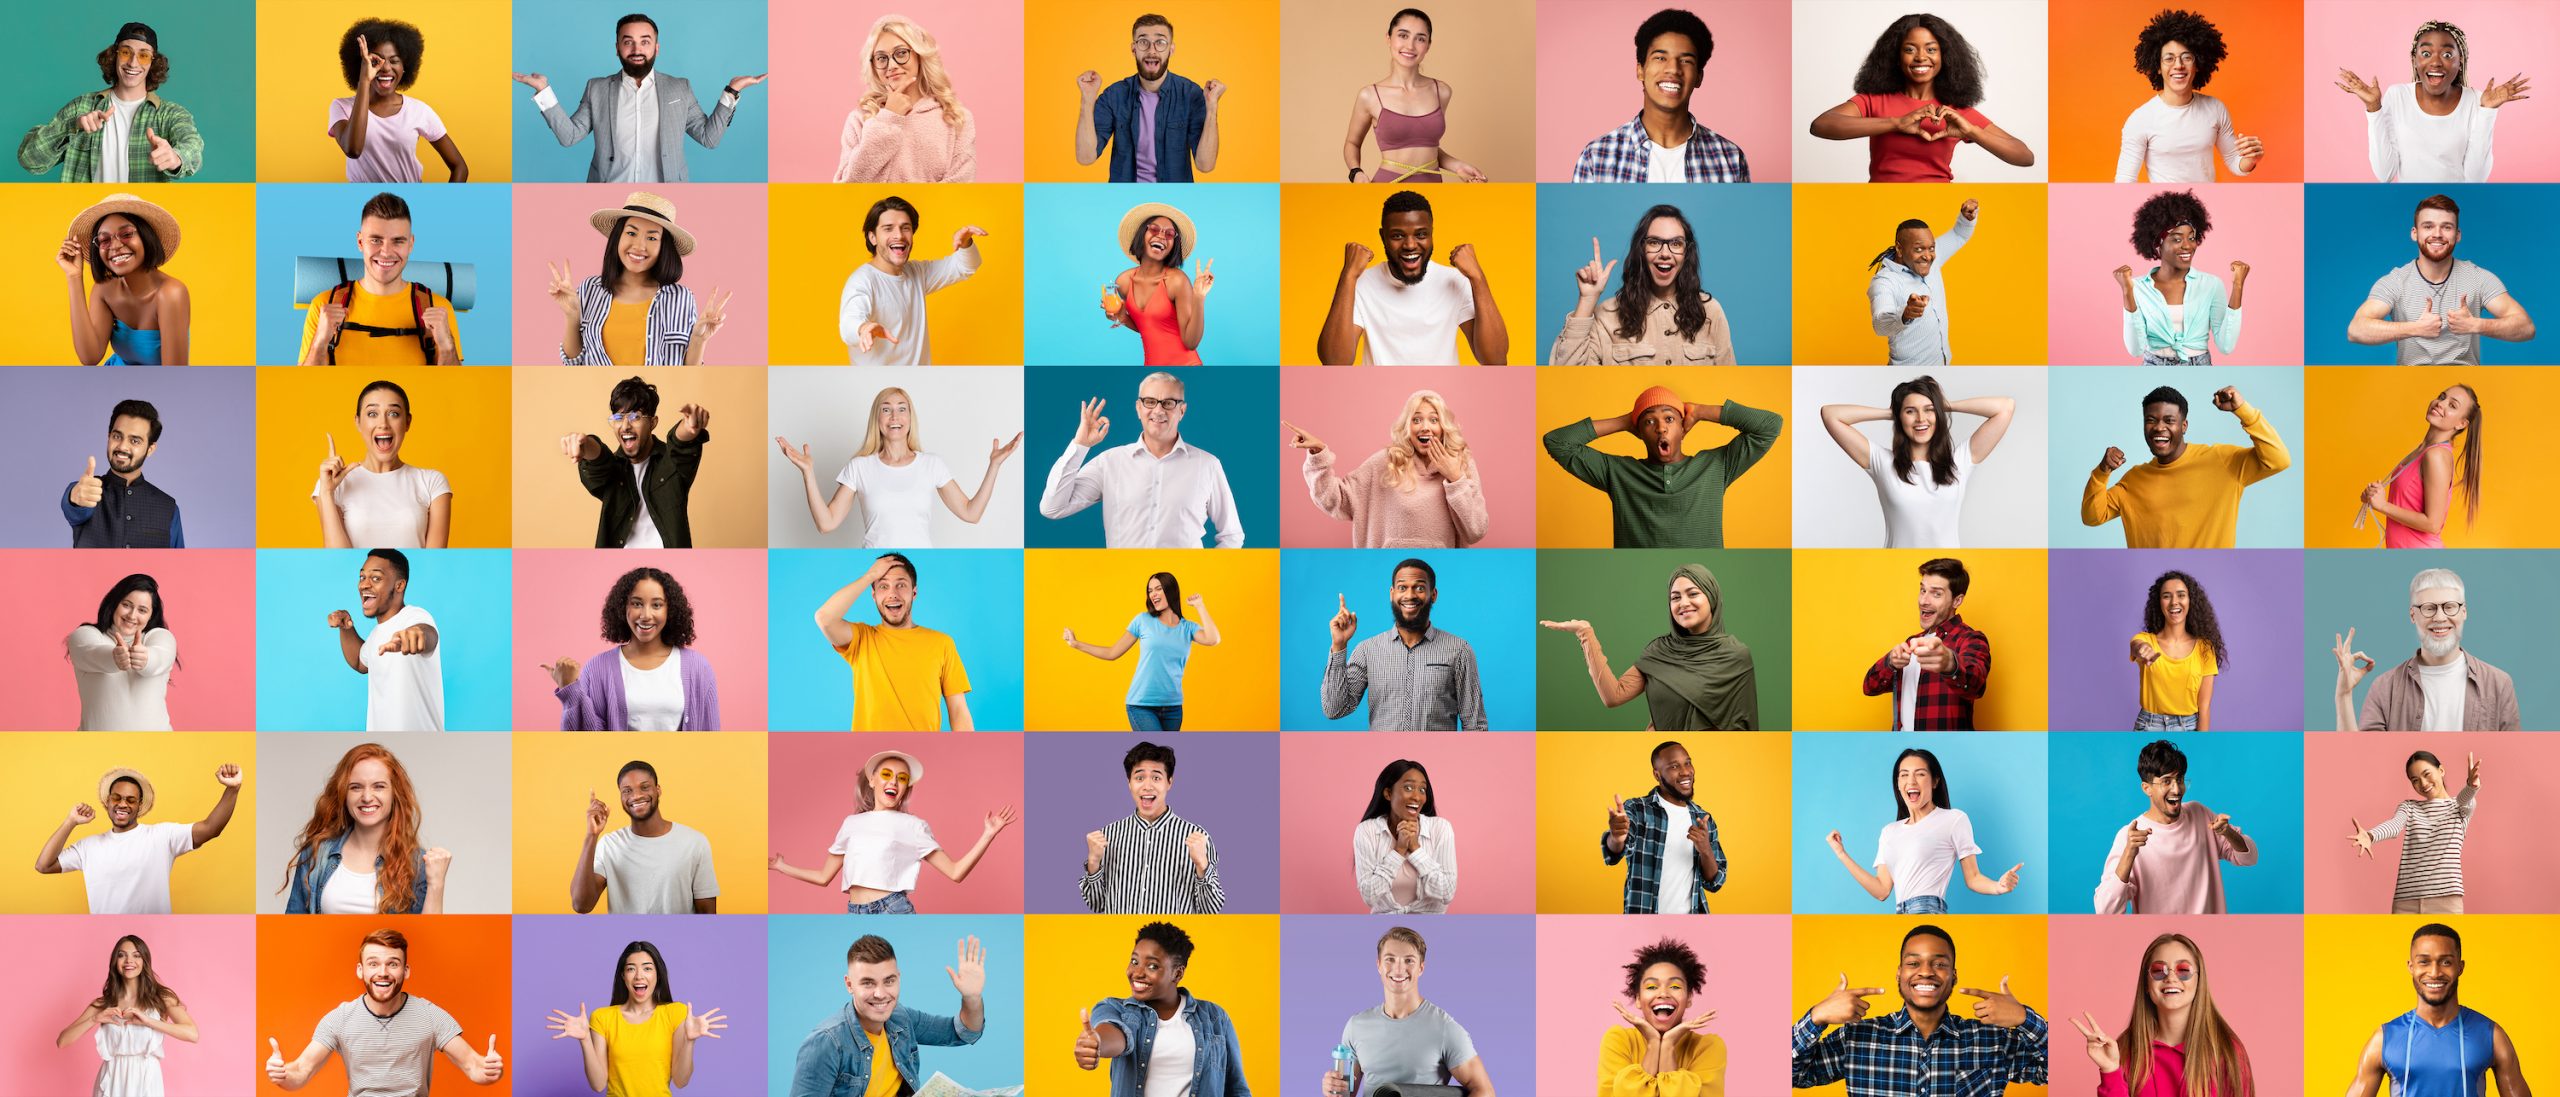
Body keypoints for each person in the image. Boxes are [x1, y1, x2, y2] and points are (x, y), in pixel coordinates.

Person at [1791, 924, 2048, 1094]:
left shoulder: (1992, 1040)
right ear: (1899, 973)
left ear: (1954, 976)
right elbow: (1792, 1075)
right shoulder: (1857, 1037)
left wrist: (2025, 1018)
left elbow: (2052, 1070)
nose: (1926, 972)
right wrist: (1816, 1017)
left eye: (1939, 964)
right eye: (1914, 963)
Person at [511, 12, 764, 184]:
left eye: (645, 42)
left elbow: (709, 138)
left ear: (656, 47)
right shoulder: (596, 88)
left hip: (665, 199)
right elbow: (569, 136)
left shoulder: (679, 88)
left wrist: (731, 92)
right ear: (617, 48)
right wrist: (544, 91)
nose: (636, 49)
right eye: (628, 42)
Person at [770, 749, 1016, 914]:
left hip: (893, 909)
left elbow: (955, 872)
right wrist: (782, 867)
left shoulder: (913, 826)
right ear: (873, 780)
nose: (894, 782)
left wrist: (988, 834)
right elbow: (824, 877)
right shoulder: (851, 824)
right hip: (854, 912)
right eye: (887, 775)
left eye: (902, 778)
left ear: (905, 788)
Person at [776, 386, 1022, 548]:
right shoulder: (859, 467)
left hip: (919, 567)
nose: (895, 417)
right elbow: (826, 524)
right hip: (875, 567)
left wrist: (995, 465)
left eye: (901, 409)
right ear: (877, 419)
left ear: (910, 418)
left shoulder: (931, 464)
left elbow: (971, 513)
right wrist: (807, 473)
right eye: (886, 410)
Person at [1541, 384, 1783, 548]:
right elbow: (1557, 442)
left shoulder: (1716, 466)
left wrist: (1700, 411)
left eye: (1669, 418)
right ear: (1640, 432)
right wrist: (1627, 421)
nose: (1660, 427)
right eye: (1649, 421)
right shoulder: (1617, 473)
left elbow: (1770, 425)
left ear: (1683, 426)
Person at [264, 929, 504, 1091]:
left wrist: (488, 1070)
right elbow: (302, 1070)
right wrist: (283, 1075)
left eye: (393, 964)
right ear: (360, 970)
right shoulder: (339, 1019)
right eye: (373, 963)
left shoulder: (430, 1015)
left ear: (405, 971)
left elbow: (473, 1066)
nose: (383, 972)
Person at [1809, 14, 2036, 182]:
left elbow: (2025, 156)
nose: (1920, 57)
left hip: (1938, 205)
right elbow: (1821, 125)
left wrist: (1971, 132)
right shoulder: (1874, 100)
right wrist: (1896, 123)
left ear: (1944, 57)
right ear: (1895, 57)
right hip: (1878, 204)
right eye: (1909, 50)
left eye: (1930, 50)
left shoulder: (1955, 111)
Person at [1039, 372, 1246, 548]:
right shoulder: (1110, 462)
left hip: (1182, 584)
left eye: (1168, 403)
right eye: (1150, 402)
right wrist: (1080, 445)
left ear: (1181, 410)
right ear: (1138, 408)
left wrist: (1203, 574)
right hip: (1124, 581)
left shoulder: (1207, 465)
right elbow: (1052, 508)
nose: (1158, 410)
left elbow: (1231, 535)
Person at [1542, 564, 1758, 731]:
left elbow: (1743, 727)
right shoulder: (1660, 651)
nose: (1683, 603)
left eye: (1693, 594)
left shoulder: (1736, 655)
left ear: (1711, 598)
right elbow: (1613, 696)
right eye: (1675, 597)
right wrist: (1585, 634)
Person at [2081, 384, 2291, 549]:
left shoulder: (2222, 461)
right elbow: (2092, 516)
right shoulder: (2134, 479)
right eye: (2150, 420)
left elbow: (2278, 459)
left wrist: (2244, 411)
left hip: (2208, 583)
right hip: (2156, 586)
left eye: (2169, 420)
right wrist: (2103, 471)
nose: (2159, 428)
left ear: (2184, 426)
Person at [1317, 190, 1509, 365]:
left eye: (1421, 234)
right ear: (1383, 236)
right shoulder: (1361, 284)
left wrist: (1477, 278)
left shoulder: (1454, 281)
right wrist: (1348, 276)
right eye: (1398, 236)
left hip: (1439, 393)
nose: (1410, 245)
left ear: (1432, 234)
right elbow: (1334, 363)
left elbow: (1495, 360)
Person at [1822, 377, 2015, 549]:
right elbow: (1831, 414)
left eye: (1929, 410)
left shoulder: (1960, 461)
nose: (1921, 419)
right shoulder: (1882, 462)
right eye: (1910, 411)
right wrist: (1893, 413)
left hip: (1945, 565)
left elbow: (2005, 407)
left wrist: (1943, 406)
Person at [2341, 924, 2532, 1096]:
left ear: (2460, 967)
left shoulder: (2491, 1035)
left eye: (2446, 962)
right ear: (2411, 967)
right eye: (2424, 961)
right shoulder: (2385, 1038)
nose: (2434, 973)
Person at [1825, 748, 2022, 914]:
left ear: (1935, 781)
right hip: (1899, 911)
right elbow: (1881, 891)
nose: (1911, 781)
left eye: (1920, 774)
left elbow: (1973, 878)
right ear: (1898, 784)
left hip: (1927, 908)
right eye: (1904, 775)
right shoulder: (1889, 831)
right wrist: (1841, 854)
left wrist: (1999, 887)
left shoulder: (1953, 819)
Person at [1284, 389, 1488, 549]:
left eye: (1433, 419)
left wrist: (1455, 478)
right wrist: (1318, 453)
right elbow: (1335, 499)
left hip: (1433, 569)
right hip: (1387, 565)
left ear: (1443, 426)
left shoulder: (1462, 463)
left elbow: (1476, 531)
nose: (1425, 427)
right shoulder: (1386, 462)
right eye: (1416, 420)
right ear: (1407, 427)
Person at [2347, 194, 2535, 366]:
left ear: (2457, 235)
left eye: (2446, 227)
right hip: (2410, 385)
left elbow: (2525, 327)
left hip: (2464, 385)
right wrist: (2415, 328)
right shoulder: (2396, 281)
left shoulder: (2477, 278)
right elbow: (2356, 330)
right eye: (2428, 226)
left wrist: (2476, 325)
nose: (2437, 234)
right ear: (2414, 233)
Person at [548, 191, 733, 366]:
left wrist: (699, 340)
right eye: (631, 233)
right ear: (618, 237)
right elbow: (574, 364)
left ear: (664, 247)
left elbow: (687, 373)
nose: (639, 245)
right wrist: (572, 316)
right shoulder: (590, 289)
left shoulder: (681, 298)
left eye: (652, 238)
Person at [791, 935, 989, 1096]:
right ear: (849, 985)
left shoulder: (901, 1018)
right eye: (868, 983)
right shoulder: (826, 1043)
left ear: (899, 978)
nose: (880, 994)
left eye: (889, 981)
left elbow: (963, 1033)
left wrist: (972, 998)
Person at [2336, 21, 2531, 182]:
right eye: (2426, 54)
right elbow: (2384, 174)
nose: (2436, 62)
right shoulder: (2398, 96)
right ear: (2415, 59)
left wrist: (2487, 112)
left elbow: (2476, 179)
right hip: (2412, 204)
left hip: (2458, 204)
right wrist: (2373, 109)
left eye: (2447, 54)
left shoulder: (2475, 100)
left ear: (2460, 60)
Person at [1571, 8, 1751, 183]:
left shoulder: (1730, 159)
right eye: (1660, 58)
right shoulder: (1596, 158)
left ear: (1698, 77)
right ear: (1640, 70)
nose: (1673, 69)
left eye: (1686, 61)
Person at [2065, 933, 2254, 1097]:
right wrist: (2110, 1070)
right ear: (2146, 984)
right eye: (2158, 971)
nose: (2171, 977)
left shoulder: (2227, 1051)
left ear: (2199, 981)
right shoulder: (2125, 1049)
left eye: (2184, 970)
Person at [2333, 567, 2520, 732]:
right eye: (2429, 608)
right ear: (2413, 615)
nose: (2440, 617)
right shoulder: (2385, 687)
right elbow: (2361, 760)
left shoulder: (2499, 684)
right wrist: (2343, 695)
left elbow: (2511, 761)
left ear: (2464, 612)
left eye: (2450, 607)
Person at [1073, 921, 1249, 1096]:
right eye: (1134, 961)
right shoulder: (1114, 1008)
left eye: (1152, 966)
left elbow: (1237, 1088)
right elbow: (1117, 1035)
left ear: (1177, 973)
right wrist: (1097, 1044)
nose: (1137, 972)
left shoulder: (1215, 1017)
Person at [36, 765, 238, 915]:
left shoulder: (162, 836)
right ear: (107, 802)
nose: (123, 804)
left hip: (154, 930)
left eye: (130, 800)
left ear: (139, 806)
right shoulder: (88, 846)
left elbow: (211, 828)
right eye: (116, 798)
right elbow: (44, 865)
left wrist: (233, 789)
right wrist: (70, 821)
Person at [18, 21, 204, 182]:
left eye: (144, 55)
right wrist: (71, 126)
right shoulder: (82, 107)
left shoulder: (170, 114)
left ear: (153, 63)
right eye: (125, 52)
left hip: (139, 220)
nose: (133, 62)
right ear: (114, 56)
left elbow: (192, 146)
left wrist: (176, 157)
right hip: (89, 218)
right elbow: (29, 160)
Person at [543, 566, 722, 731]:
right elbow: (585, 742)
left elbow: (712, 740)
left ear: (670, 610)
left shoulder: (698, 667)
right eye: (636, 603)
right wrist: (570, 688)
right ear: (623, 608)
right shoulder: (598, 668)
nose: (645, 615)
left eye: (657, 605)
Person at [1552, 206, 1737, 365]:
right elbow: (1564, 380)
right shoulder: (1607, 317)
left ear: (1686, 252)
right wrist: (1587, 300)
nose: (1665, 253)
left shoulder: (1711, 312)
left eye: (1676, 243)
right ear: (1641, 249)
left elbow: (1728, 387)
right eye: (1655, 242)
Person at [542, 940, 730, 1097]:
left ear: (658, 974)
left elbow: (681, 1081)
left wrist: (690, 1041)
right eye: (631, 969)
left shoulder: (675, 1013)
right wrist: (585, 1040)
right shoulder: (602, 1017)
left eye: (647, 968)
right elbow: (598, 1085)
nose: (639, 975)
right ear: (623, 976)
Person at [1323, 927, 1496, 1097]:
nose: (1398, 969)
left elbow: (1485, 1091)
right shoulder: (1357, 1026)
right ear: (1379, 966)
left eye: (1408, 961)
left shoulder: (1444, 1028)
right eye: (1390, 959)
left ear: (1421, 968)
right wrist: (1333, 1087)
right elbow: (1345, 1093)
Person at [278, 742, 448, 914]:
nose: (366, 797)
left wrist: (437, 884)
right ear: (344, 794)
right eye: (356, 787)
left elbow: (427, 939)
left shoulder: (416, 863)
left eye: (379, 786)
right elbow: (291, 932)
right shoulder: (316, 853)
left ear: (394, 794)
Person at [1323, 557, 1489, 732]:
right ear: (1392, 593)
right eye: (1402, 587)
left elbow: (1475, 725)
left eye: (1419, 588)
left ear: (1433, 594)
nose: (1410, 595)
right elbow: (1335, 710)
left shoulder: (1459, 650)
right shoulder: (1367, 651)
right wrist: (1338, 645)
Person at [298, 192, 464, 365]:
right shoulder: (323, 306)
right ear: (360, 242)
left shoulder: (438, 308)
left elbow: (455, 389)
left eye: (398, 241)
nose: (386, 252)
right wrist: (320, 343)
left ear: (411, 244)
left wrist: (446, 347)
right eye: (376, 240)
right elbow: (304, 389)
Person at [813, 553, 975, 731]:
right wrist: (870, 576)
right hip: (869, 751)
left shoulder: (942, 643)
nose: (892, 594)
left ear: (914, 592)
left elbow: (959, 711)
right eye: (883, 586)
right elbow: (824, 618)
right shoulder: (861, 639)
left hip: (923, 752)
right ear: (873, 595)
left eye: (901, 585)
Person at [2093, 740, 2257, 915]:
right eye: (2166, 781)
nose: (2177, 789)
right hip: (2161, 941)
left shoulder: (2200, 814)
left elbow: (2250, 858)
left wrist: (2228, 833)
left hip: (2210, 937)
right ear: (2146, 788)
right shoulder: (2130, 837)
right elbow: (2106, 911)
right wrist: (2129, 854)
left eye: (2179, 779)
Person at [558, 376, 710, 549]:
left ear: (653, 422)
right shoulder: (613, 470)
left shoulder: (671, 464)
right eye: (618, 417)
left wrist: (690, 427)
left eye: (635, 417)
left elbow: (680, 444)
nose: (625, 426)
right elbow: (599, 459)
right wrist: (585, 446)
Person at [837, 195, 989, 366]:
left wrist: (965, 243)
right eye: (888, 228)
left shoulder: (916, 273)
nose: (899, 235)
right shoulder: (862, 280)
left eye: (905, 228)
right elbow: (849, 323)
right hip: (879, 386)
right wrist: (863, 328)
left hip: (919, 383)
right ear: (872, 237)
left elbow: (965, 267)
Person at [2116, 9, 2265, 183]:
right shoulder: (2140, 119)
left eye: (2187, 57)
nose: (2178, 65)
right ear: (2158, 66)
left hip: (2207, 204)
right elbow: (2125, 180)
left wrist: (2251, 159)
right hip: (2166, 206)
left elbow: (2234, 160)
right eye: (2169, 58)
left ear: (2198, 64)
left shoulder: (2215, 108)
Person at [1063, 572, 1222, 732]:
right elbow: (1112, 653)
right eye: (1150, 590)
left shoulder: (1188, 628)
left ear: (1171, 590)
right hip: (1141, 706)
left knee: (1166, 755)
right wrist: (1076, 644)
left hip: (1173, 708)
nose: (1153, 594)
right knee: (1155, 751)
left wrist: (1200, 606)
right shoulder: (1142, 620)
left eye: (1158, 589)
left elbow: (1213, 639)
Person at [1341, 9, 1486, 184]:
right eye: (1403, 35)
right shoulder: (1370, 95)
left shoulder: (1441, 91)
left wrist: (1457, 166)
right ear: (1388, 38)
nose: (1410, 46)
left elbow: (1426, 147)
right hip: (1387, 189)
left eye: (1420, 38)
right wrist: (1356, 172)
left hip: (1433, 190)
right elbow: (1352, 143)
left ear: (1428, 45)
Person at [1075, 14, 1226, 182]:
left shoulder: (1190, 94)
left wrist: (1212, 107)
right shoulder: (1114, 95)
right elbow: (1085, 157)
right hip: (1126, 199)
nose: (1152, 50)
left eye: (1160, 42)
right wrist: (1087, 100)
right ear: (1134, 49)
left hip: (1173, 199)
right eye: (1143, 42)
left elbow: (1205, 165)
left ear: (1171, 49)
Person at [1082, 741, 1224, 915]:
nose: (1147, 786)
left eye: (1156, 778)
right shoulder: (1107, 836)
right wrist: (1093, 863)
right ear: (1129, 783)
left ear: (1169, 783)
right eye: (1139, 778)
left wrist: (1202, 865)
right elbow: (1096, 905)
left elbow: (1211, 910)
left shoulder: (1197, 838)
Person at [835, 14, 977, 183]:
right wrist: (888, 118)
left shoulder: (956, 117)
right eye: (881, 58)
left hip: (936, 211)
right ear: (873, 65)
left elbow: (961, 187)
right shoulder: (860, 119)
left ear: (919, 55)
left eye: (901, 53)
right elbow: (848, 186)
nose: (892, 65)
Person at [52, 935, 200, 1097]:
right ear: (115, 961)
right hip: (111, 1079)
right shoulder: (104, 1003)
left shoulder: (161, 998)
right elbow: (62, 1041)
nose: (129, 961)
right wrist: (94, 1019)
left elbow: (192, 1034)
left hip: (146, 1078)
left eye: (136, 955)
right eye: (122, 955)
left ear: (144, 961)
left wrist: (148, 1021)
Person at [326, 19, 468, 183]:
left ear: (405, 67)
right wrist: (364, 80)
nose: (386, 68)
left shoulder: (419, 110)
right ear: (362, 66)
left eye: (394, 61)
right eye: (375, 61)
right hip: (366, 203)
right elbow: (353, 149)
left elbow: (459, 166)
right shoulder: (341, 107)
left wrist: (448, 205)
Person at [2116, 190, 2248, 365]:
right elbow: (2136, 349)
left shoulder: (2211, 285)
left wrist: (2238, 286)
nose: (2188, 246)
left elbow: (2226, 345)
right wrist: (2127, 291)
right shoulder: (2138, 287)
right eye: (2177, 239)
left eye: (2191, 238)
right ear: (2158, 245)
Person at [315, 380, 451, 549]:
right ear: (358, 421)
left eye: (393, 414)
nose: (383, 424)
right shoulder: (332, 484)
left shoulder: (432, 482)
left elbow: (435, 561)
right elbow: (338, 560)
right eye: (372, 414)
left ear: (407, 422)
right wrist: (327, 493)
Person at [1859, 557, 1991, 731]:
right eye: (1922, 591)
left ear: (1957, 601)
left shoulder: (1971, 639)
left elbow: (1976, 684)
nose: (1923, 601)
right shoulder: (1911, 643)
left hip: (1945, 750)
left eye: (1936, 593)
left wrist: (1950, 664)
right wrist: (1890, 662)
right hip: (1904, 749)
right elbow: (1870, 687)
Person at [571, 761, 718, 915]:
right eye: (627, 791)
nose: (636, 795)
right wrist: (591, 836)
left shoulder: (695, 842)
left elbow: (707, 913)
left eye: (645, 787)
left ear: (658, 790)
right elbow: (581, 905)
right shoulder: (609, 845)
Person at [1597, 741, 1727, 914]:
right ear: (1657, 775)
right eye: (1674, 766)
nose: (1685, 771)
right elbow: (1616, 850)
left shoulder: (1703, 819)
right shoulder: (1638, 809)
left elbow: (1715, 882)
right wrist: (1616, 837)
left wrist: (1706, 850)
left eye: (1688, 763)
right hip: (1643, 923)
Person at [324, 548, 445, 733]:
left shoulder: (415, 616)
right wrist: (346, 627)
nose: (364, 585)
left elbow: (427, 634)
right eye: (362, 577)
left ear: (399, 585)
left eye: (376, 578)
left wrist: (416, 635)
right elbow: (359, 661)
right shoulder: (376, 635)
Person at [60, 192, 189, 364]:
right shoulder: (104, 290)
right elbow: (89, 357)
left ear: (146, 237)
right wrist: (74, 277)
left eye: (127, 234)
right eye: (104, 240)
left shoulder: (171, 293)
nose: (115, 245)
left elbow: (174, 380)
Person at [2349, 750, 2480, 914]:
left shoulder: (2460, 808)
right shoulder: (2409, 807)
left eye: (2427, 774)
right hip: (2405, 901)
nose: (2423, 784)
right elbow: (2395, 825)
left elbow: (2464, 799)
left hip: (2446, 900)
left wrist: (2470, 785)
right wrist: (2370, 835)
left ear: (2441, 770)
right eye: (2415, 780)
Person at [2357, 384, 2482, 549]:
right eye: (2442, 397)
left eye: (2452, 405)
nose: (2440, 403)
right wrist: (2373, 497)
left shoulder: (2435, 456)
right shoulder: (2423, 451)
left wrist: (2383, 506)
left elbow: (2433, 524)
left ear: (2461, 424)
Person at [1597, 937, 1724, 1097]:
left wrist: (1668, 1045)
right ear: (1637, 998)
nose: (1663, 993)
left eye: (1675, 986)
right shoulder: (1618, 1040)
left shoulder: (1708, 1047)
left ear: (1689, 998)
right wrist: (1653, 1044)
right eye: (1651, 987)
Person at [1865, 200, 1980, 366]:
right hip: (1908, 373)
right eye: (1918, 249)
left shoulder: (1932, 258)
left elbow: (1958, 235)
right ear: (1899, 248)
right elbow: (1880, 325)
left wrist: (1966, 218)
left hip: (1943, 366)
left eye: (1931, 248)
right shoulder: (1884, 282)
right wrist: (1906, 314)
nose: (1928, 256)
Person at [1102, 202, 1215, 366]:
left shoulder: (1177, 280)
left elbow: (1190, 342)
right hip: (1153, 372)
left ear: (1173, 246)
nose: (1161, 236)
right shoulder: (1124, 281)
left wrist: (1199, 297)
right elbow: (1150, 328)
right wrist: (1122, 317)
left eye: (1169, 234)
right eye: (1154, 229)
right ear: (1142, 235)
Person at [64, 573, 179, 731]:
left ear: (151, 615)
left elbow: (160, 657)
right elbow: (93, 653)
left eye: (142, 610)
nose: (132, 615)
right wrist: (114, 657)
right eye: (126, 605)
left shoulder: (161, 637)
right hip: (96, 751)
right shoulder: (85, 635)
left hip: (158, 750)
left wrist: (145, 659)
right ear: (114, 603)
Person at [64, 399, 184, 548]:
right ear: (109, 437)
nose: (122, 446)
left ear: (150, 449)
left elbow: (179, 567)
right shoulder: (87, 492)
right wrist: (73, 498)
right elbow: (73, 504)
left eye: (135, 441)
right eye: (117, 436)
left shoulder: (168, 507)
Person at [2128, 571, 2229, 733]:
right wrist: (2141, 649)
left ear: (2191, 601)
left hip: (2189, 727)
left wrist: (2202, 744)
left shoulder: (2205, 648)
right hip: (2148, 725)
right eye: (2166, 596)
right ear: (2159, 603)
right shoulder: (2147, 640)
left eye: (2181, 595)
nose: (2174, 602)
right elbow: (2136, 645)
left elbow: (2204, 707)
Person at [1353, 759, 1458, 914]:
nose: (1417, 797)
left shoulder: (1441, 828)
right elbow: (1369, 896)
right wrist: (1399, 850)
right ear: (1388, 793)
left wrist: (1415, 848)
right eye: (1408, 788)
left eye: (1422, 790)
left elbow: (1446, 892)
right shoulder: (1366, 831)